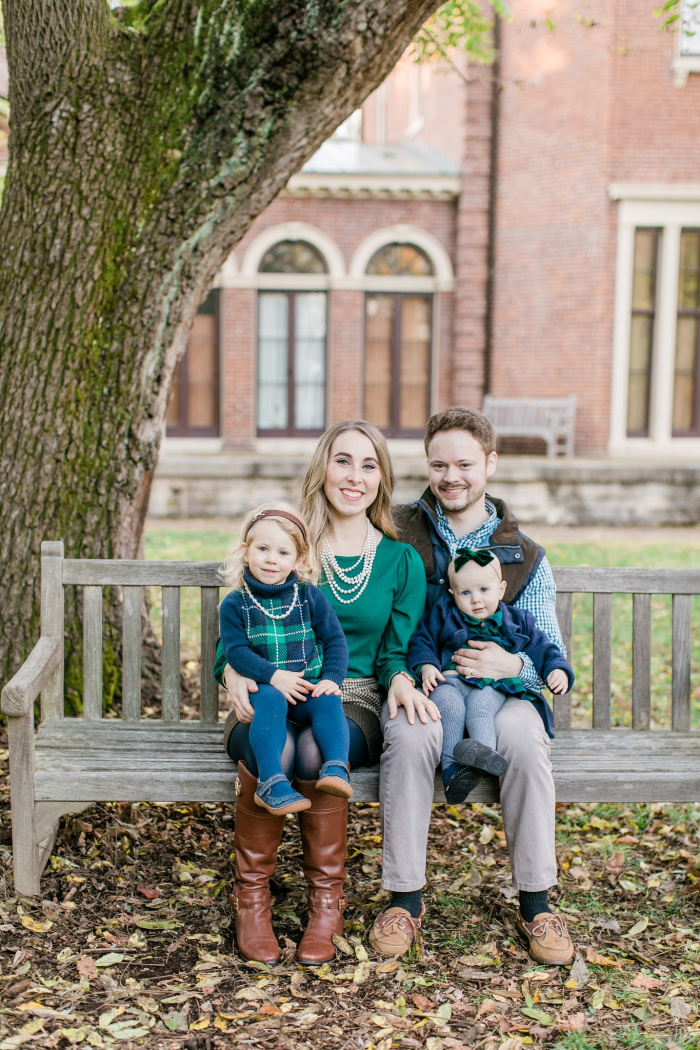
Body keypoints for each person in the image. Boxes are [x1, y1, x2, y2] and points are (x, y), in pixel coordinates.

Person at [215, 421, 433, 966]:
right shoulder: (282, 541)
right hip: (270, 690)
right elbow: (237, 630)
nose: (354, 476)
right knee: (279, 747)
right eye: (343, 461)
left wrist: (402, 677)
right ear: (322, 468)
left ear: (382, 479)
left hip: (349, 696)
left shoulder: (400, 561)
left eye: (368, 465)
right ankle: (252, 900)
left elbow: (392, 653)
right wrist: (231, 673)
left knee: (313, 750)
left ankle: (326, 903)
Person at [370, 405, 576, 966]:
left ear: (490, 462)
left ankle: (537, 901)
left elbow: (545, 643)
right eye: (439, 465)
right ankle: (404, 899)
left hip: (504, 693)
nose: (452, 476)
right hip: (424, 684)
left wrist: (515, 670)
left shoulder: (526, 556)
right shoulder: (394, 530)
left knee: (527, 746)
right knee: (411, 739)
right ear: (428, 466)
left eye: (465, 463)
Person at [407, 547, 574, 804]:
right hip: (448, 680)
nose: (476, 599)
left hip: (488, 685)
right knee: (448, 707)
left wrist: (556, 669)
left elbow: (543, 646)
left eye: (484, 590)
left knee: (480, 707)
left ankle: (483, 756)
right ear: (453, 594)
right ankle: (453, 771)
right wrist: (427, 666)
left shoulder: (517, 620)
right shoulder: (443, 613)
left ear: (501, 589)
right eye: (466, 592)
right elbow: (422, 640)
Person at [219, 502, 351, 816]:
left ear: (299, 558)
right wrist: (273, 676)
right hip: (266, 690)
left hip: (305, 688)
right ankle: (271, 783)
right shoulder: (236, 603)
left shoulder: (309, 596)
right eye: (263, 548)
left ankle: (335, 768)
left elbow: (335, 640)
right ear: (245, 551)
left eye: (283, 552)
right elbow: (235, 652)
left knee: (328, 701)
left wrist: (331, 679)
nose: (271, 559)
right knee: (268, 700)